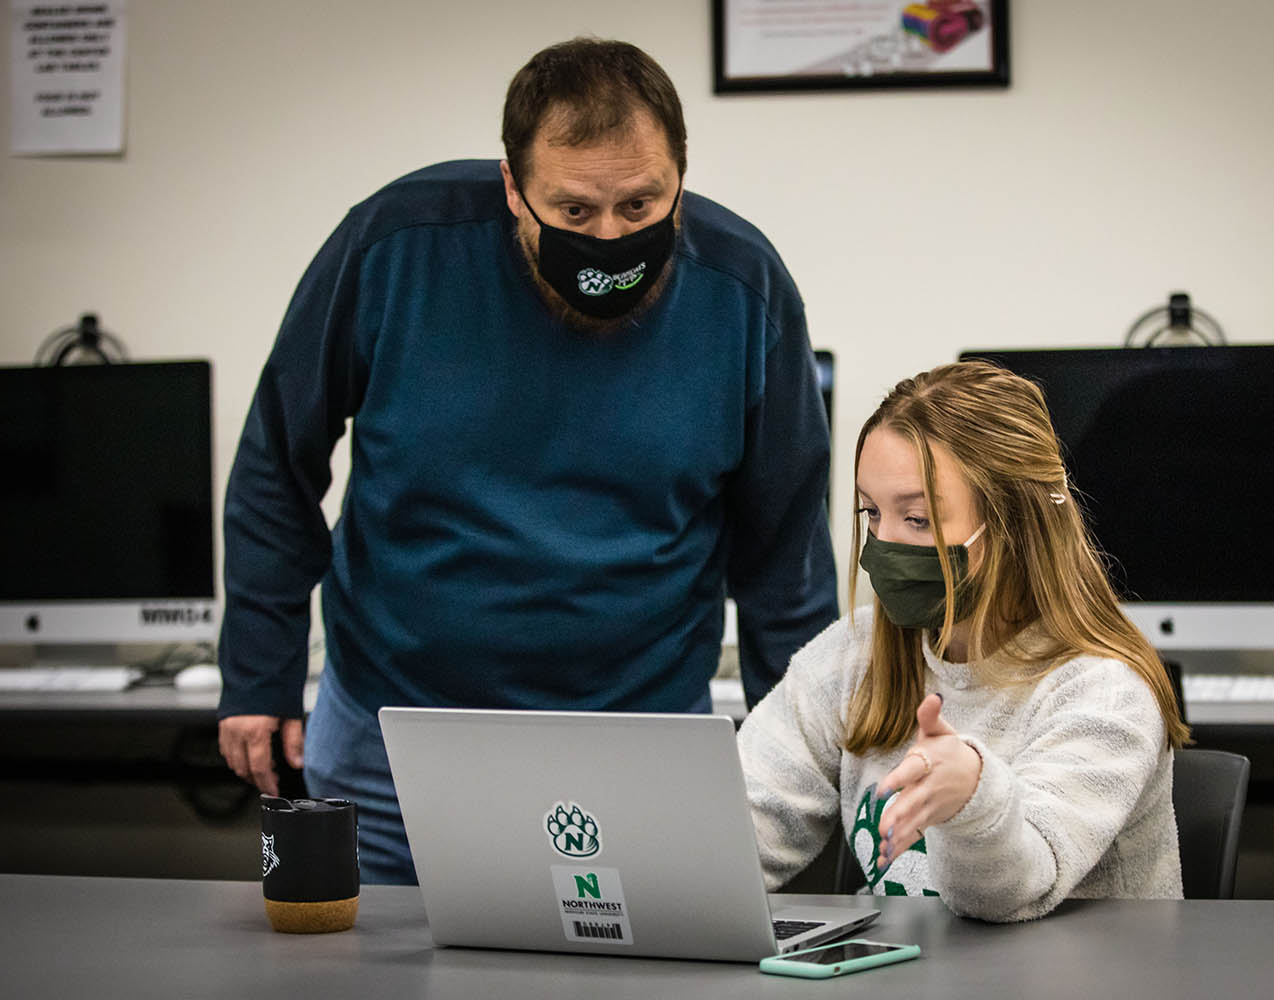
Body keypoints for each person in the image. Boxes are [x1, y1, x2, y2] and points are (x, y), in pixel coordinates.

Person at [216, 38, 838, 884]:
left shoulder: (744, 287)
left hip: (640, 742)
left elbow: (786, 552)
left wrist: (804, 758)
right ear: (512, 185)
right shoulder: (397, 246)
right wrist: (259, 671)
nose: (610, 238)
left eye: (640, 206)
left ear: (679, 182)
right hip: (393, 739)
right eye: (575, 212)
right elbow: (276, 463)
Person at [737, 361, 1189, 922]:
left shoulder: (1105, 691)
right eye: (872, 513)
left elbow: (1014, 893)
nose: (883, 543)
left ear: (1015, 525)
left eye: (918, 519)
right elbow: (735, 834)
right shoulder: (853, 657)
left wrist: (973, 799)